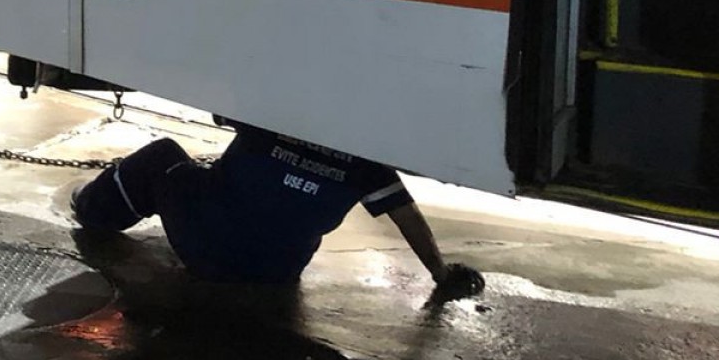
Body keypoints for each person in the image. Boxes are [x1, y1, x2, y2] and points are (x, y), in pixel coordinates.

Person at [70, 125, 485, 300]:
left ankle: (92, 209)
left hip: (207, 251)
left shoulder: (270, 117)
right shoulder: (369, 163)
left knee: (163, 156)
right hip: (276, 272)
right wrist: (441, 273)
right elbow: (407, 217)